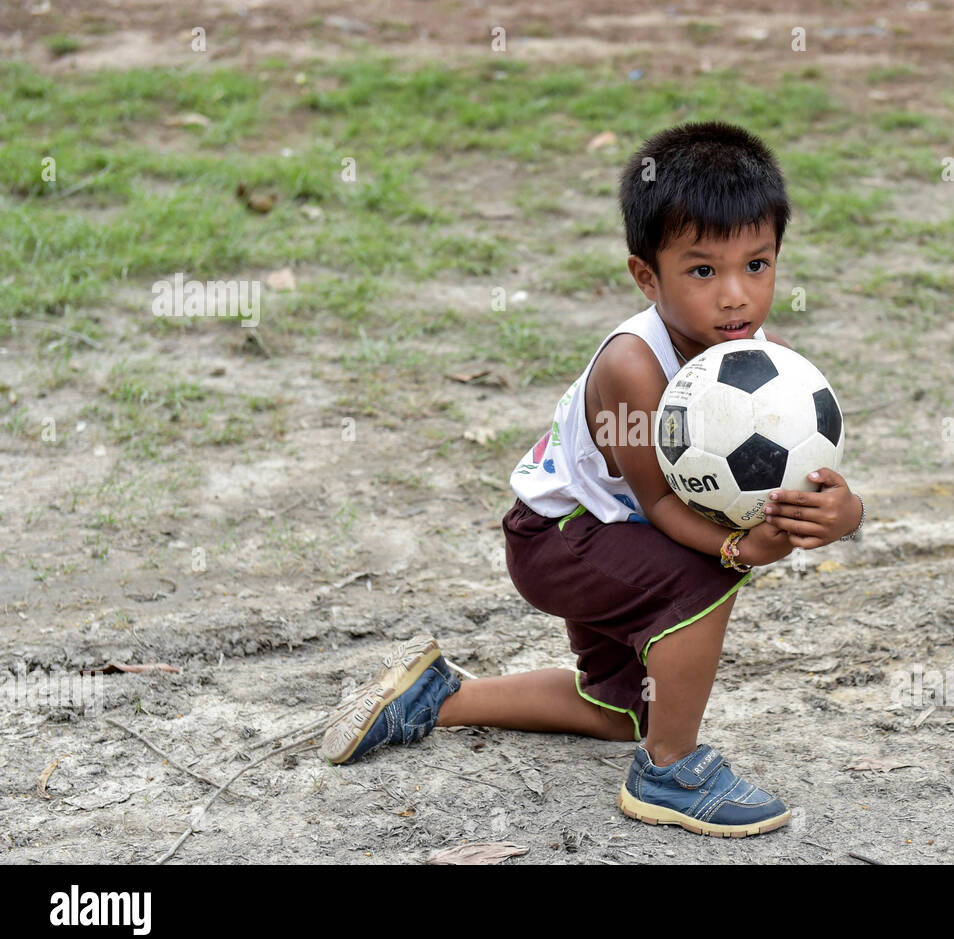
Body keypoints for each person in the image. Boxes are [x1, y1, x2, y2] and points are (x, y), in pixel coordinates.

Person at [320, 120, 866, 839]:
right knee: (701, 581)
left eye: (756, 266)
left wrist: (844, 512)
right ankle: (668, 770)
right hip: (559, 537)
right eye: (703, 271)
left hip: (618, 539)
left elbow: (812, 485)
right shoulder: (631, 368)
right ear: (648, 276)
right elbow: (664, 504)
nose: (735, 296)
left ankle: (436, 695)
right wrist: (739, 550)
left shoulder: (769, 370)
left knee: (620, 710)